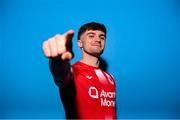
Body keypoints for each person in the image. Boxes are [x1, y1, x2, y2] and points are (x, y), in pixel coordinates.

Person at [42, 22, 116, 119]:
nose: (98, 39)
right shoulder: (74, 71)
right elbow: (61, 74)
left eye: (102, 37)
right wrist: (57, 60)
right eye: (91, 36)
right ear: (80, 43)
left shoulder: (110, 78)